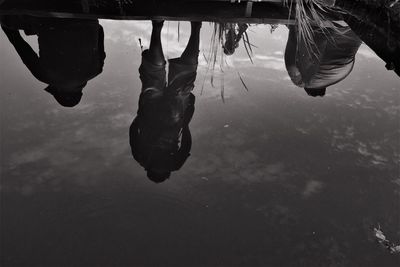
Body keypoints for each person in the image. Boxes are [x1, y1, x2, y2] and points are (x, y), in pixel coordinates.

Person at [130, 20, 201, 183]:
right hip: (148, 114)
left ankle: (196, 27)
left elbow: (186, 145)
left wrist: (184, 124)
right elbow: (133, 132)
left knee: (184, 77)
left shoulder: (174, 164)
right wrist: (139, 116)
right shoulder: (142, 159)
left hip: (173, 118)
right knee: (152, 75)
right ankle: (157, 26)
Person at [1, 15, 106, 107]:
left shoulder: (96, 70)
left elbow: (100, 30)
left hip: (85, 17)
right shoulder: (44, 76)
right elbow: (19, 43)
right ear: (59, 92)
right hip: (48, 18)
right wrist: (5, 23)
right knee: (9, 20)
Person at [284, 23, 362, 97]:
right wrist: (292, 26)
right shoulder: (302, 83)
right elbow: (291, 64)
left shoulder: (340, 76)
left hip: (357, 29)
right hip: (329, 26)